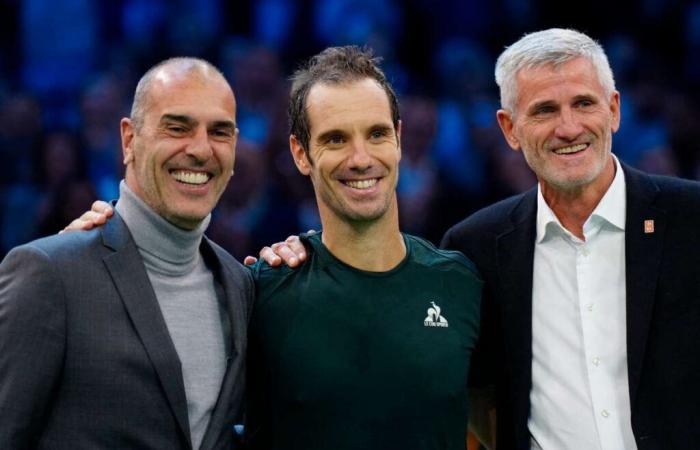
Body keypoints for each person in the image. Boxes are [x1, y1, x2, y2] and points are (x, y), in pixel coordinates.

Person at [258, 29, 700, 449]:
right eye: (544, 110)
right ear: (509, 128)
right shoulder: (479, 246)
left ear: (615, 110)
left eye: (584, 103)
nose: (568, 128)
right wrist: (299, 254)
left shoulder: (690, 218)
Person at [0, 57, 254, 449]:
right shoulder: (50, 273)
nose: (201, 150)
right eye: (177, 127)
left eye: (219, 132)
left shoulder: (242, 285)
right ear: (129, 140)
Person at [244, 46, 481, 449]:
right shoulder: (261, 292)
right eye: (335, 139)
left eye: (376, 134)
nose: (361, 158)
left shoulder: (461, 283)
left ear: (399, 138)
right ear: (301, 154)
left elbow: (496, 423)